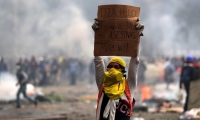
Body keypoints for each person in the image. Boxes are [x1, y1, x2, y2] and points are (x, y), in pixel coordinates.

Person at [92, 18, 144, 120]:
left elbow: (134, 61)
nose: (113, 69)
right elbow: (98, 60)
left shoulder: (129, 86)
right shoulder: (103, 83)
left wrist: (137, 35)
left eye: (116, 67)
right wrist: (97, 35)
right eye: (110, 67)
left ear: (123, 71)